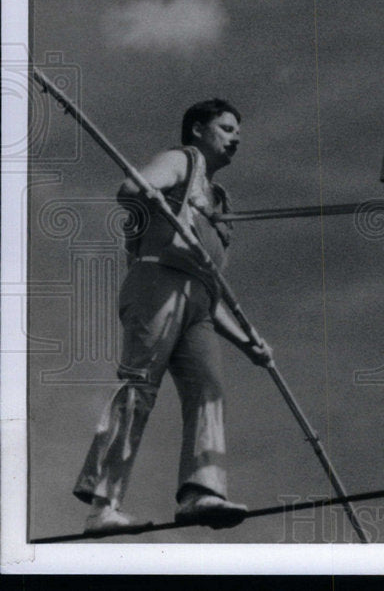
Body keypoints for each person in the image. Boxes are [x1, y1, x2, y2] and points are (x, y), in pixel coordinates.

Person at [73, 99, 273, 533]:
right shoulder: (184, 160)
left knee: (209, 390)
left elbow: (213, 292)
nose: (236, 136)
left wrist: (249, 343)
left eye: (237, 130)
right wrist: (145, 192)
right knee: (140, 386)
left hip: (198, 302)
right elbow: (132, 190)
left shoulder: (220, 203)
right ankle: (103, 506)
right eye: (226, 127)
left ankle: (201, 492)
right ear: (199, 130)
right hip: (157, 281)